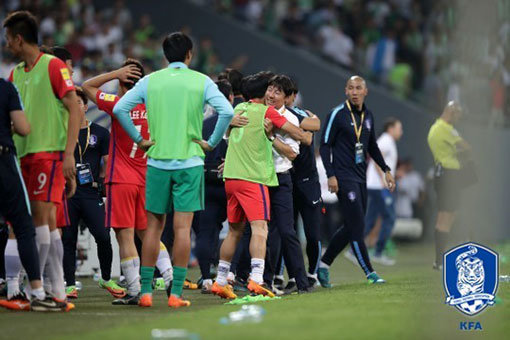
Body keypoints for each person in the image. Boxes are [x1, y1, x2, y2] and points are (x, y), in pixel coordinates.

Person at [112, 32, 234, 308]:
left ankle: (144, 292)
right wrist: (211, 143)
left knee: (152, 229)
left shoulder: (150, 80)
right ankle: (176, 294)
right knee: (182, 229)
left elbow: (120, 109)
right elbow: (226, 111)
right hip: (190, 163)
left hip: (156, 163)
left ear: (165, 55)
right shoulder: (200, 81)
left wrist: (140, 140)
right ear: (189, 54)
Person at [4, 11, 82, 307]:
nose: (7, 45)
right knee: (45, 222)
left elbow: (74, 108)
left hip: (47, 154)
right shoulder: (15, 74)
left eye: (9, 39)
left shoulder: (53, 66)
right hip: (21, 156)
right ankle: (56, 292)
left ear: (19, 38)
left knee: (39, 220)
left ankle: (37, 291)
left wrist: (68, 155)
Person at [82, 59, 174, 305]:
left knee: (125, 236)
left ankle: (135, 291)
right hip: (149, 178)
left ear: (122, 82)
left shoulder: (118, 103)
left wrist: (114, 73)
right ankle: (169, 274)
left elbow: (87, 86)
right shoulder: (156, 107)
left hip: (121, 179)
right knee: (148, 234)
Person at [210, 72, 308, 300]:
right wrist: (301, 133)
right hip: (253, 179)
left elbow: (220, 126)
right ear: (263, 93)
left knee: (234, 231)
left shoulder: (236, 110)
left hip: (231, 179)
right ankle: (256, 279)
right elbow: (297, 133)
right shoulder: (267, 112)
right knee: (260, 229)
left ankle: (220, 281)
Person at [318, 75, 395, 287]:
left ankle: (323, 264)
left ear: (365, 91)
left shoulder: (368, 116)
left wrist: (386, 169)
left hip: (361, 178)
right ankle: (370, 272)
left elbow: (372, 147)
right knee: (358, 227)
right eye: (350, 88)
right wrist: (331, 174)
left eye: (358, 88)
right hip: (344, 178)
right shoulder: (337, 114)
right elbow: (324, 145)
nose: (354, 91)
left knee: (351, 225)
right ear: (345, 91)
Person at [0, 78, 69, 312]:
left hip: (31, 158)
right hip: (14, 157)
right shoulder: (7, 86)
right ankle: (38, 289)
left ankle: (17, 287)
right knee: (23, 226)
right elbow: (23, 127)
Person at [61, 87, 125, 299]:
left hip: (90, 193)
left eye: (79, 103)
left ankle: (106, 278)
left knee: (103, 236)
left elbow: (107, 163)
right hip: (68, 192)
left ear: (86, 106)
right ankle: (69, 284)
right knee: (67, 239)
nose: (75, 106)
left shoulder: (99, 132)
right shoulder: (62, 131)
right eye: (72, 103)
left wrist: (103, 186)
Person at [263, 74, 312, 295]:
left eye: (277, 92)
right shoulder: (257, 112)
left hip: (281, 179)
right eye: (270, 89)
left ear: (287, 98)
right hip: (259, 178)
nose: (271, 95)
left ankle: (301, 282)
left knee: (286, 231)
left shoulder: (290, 120)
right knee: (260, 232)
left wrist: (272, 137)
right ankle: (263, 280)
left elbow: (292, 153)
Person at [284, 80, 322, 289]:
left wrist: (312, 119)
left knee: (313, 233)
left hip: (308, 181)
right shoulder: (275, 114)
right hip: (286, 178)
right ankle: (291, 276)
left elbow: (314, 126)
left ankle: (313, 273)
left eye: (285, 94)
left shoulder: (298, 114)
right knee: (287, 232)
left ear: (292, 96)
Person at [427, 101, 470, 270]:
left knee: (448, 215)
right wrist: (460, 152)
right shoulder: (447, 129)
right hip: (448, 174)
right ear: (452, 112)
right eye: (458, 115)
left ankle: (441, 258)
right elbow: (467, 147)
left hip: (442, 173)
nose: (459, 118)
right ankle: (439, 261)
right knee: (445, 218)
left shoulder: (435, 127)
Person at [360, 118, 402, 266]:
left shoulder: (387, 140)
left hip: (375, 185)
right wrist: (384, 179)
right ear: (390, 128)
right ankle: (378, 252)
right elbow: (376, 159)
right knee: (389, 217)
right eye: (399, 128)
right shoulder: (386, 140)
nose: (401, 132)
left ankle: (355, 250)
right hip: (379, 186)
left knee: (370, 219)